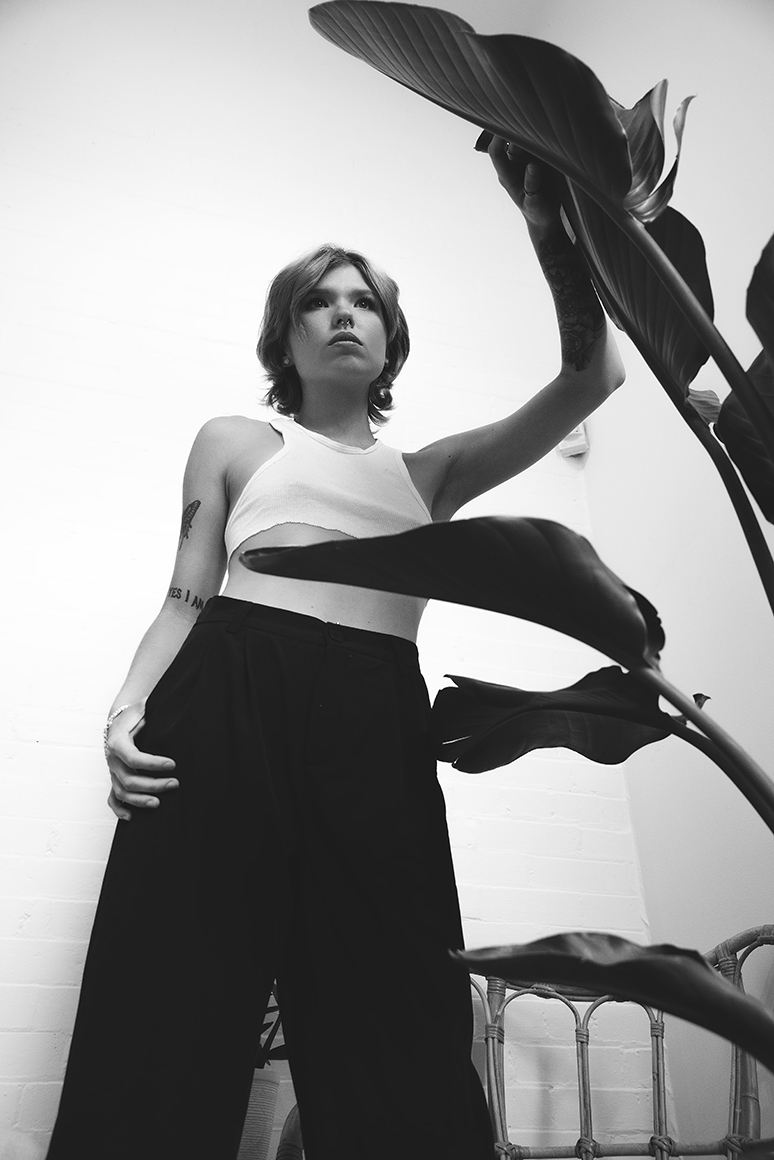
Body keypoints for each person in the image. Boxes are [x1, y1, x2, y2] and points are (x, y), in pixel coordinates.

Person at [45, 139, 625, 1160]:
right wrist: (124, 713)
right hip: (228, 692)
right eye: (320, 301)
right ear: (289, 333)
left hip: (372, 715)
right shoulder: (236, 441)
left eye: (365, 302)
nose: (344, 314)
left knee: (399, 1004)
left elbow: (597, 374)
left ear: (391, 339)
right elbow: (185, 596)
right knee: (167, 989)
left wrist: (550, 232)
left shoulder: (431, 472)